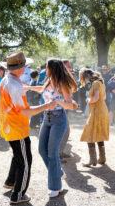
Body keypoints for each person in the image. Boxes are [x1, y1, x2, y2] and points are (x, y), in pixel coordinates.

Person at [0, 51, 57, 204]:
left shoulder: (7, 80)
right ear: (18, 68)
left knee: (17, 156)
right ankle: (17, 195)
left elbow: (18, 94)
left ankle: (10, 182)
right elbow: (25, 111)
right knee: (25, 161)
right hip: (17, 128)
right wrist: (46, 106)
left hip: (9, 126)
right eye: (24, 66)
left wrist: (30, 88)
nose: (25, 68)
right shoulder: (15, 85)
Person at [27, 58, 78, 198]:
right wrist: (28, 87)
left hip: (58, 118)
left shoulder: (63, 84)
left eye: (47, 67)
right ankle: (59, 173)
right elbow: (42, 90)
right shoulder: (49, 81)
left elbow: (71, 105)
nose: (45, 69)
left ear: (52, 69)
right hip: (47, 117)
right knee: (42, 150)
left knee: (52, 153)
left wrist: (59, 101)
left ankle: (55, 187)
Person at [80, 68, 109, 167]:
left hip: (96, 110)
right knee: (98, 133)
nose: (84, 80)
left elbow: (95, 98)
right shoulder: (101, 82)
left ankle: (93, 160)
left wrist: (88, 100)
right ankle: (102, 158)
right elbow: (104, 97)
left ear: (87, 76)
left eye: (84, 78)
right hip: (102, 109)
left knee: (89, 134)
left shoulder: (95, 83)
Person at [59, 59, 72, 161]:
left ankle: (60, 152)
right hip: (59, 110)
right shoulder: (60, 79)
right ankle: (58, 154)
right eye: (68, 66)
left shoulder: (64, 78)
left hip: (63, 109)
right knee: (64, 131)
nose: (70, 68)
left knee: (65, 131)